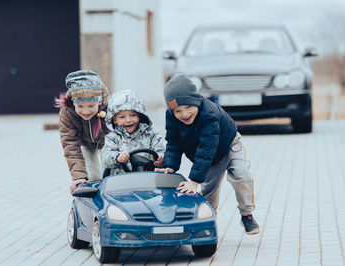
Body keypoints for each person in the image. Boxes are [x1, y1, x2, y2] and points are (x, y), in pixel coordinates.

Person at [155, 74, 260, 235]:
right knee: (209, 194)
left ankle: (246, 215)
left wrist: (194, 181)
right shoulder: (171, 116)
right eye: (178, 111)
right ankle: (208, 225)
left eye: (188, 107)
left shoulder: (209, 114)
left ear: (196, 101)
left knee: (241, 175)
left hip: (229, 144)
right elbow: (174, 142)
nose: (184, 114)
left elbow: (206, 149)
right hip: (209, 157)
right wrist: (170, 165)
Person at [55, 70, 110, 194]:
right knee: (92, 175)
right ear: (74, 103)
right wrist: (79, 176)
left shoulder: (110, 106)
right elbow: (70, 144)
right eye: (80, 106)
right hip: (86, 144)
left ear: (99, 102)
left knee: (110, 172)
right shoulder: (67, 112)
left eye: (91, 106)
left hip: (108, 142)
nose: (86, 111)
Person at [102, 90, 166, 175]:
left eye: (133, 115)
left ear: (139, 115)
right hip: (120, 180)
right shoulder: (112, 138)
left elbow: (162, 149)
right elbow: (106, 157)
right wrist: (117, 157)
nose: (128, 120)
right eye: (122, 117)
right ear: (114, 120)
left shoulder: (151, 134)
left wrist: (160, 158)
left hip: (149, 178)